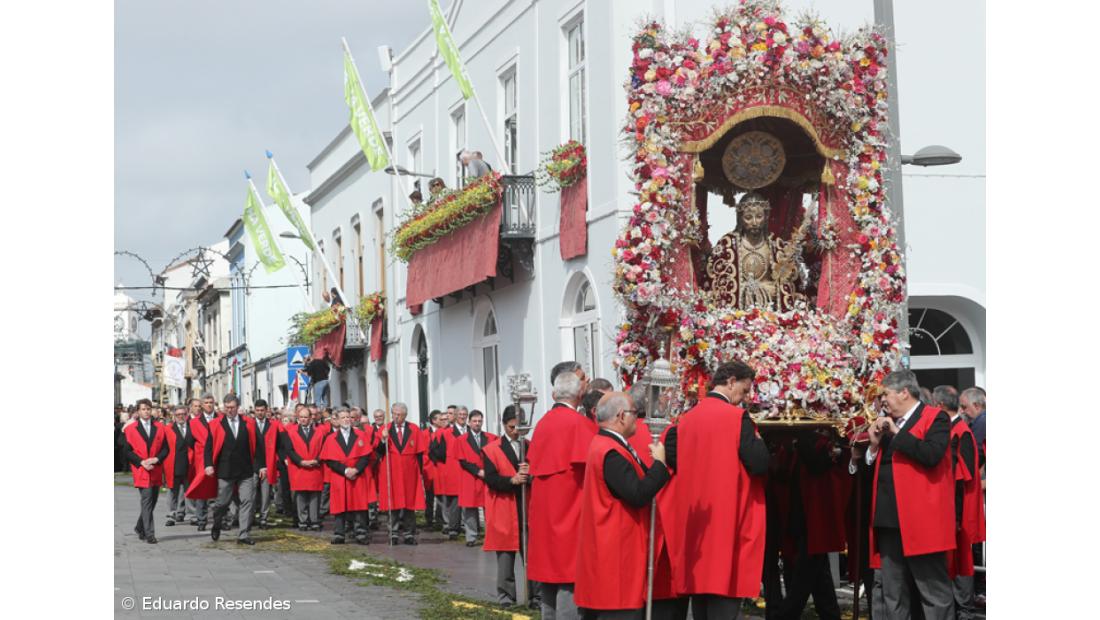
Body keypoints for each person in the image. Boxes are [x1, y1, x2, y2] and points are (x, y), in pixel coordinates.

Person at [661, 360, 770, 619]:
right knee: (724, 597)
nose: (745, 398)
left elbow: (675, 459)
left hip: (695, 521)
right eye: (744, 390)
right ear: (731, 382)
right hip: (728, 519)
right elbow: (759, 463)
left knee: (700, 597)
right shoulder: (737, 418)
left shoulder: (685, 420)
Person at [866, 370, 955, 619]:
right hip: (889, 520)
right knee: (893, 593)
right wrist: (873, 445)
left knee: (933, 591)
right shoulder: (886, 423)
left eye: (886, 394)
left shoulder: (935, 417)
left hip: (922, 520)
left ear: (904, 392)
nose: (882, 400)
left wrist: (897, 432)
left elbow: (931, 455)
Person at [575, 392, 671, 619]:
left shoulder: (611, 444)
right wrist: (660, 464)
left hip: (614, 548)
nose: (637, 419)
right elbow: (637, 494)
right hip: (615, 552)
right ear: (621, 416)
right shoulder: (610, 451)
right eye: (634, 413)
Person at [527, 361, 595, 620]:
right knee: (569, 580)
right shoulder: (578, 424)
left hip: (546, 515)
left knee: (549, 579)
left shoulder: (543, 423)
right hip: (570, 512)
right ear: (579, 393)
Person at [933, 386, 985, 620]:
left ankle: (964, 610)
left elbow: (964, 476)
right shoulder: (954, 429)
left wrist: (956, 515)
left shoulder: (960, 431)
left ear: (940, 406)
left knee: (961, 560)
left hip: (960, 508)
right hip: (953, 506)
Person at [482, 406, 531, 608]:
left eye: (519, 427)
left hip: (526, 507)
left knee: (531, 556)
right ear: (504, 425)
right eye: (512, 427)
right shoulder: (492, 449)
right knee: (505, 557)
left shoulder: (529, 446)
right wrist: (512, 480)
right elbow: (491, 479)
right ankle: (506, 596)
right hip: (504, 507)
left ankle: (535, 596)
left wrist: (530, 474)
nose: (516, 431)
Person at [200, 394, 265, 545]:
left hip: (245, 469)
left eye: (232, 407)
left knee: (247, 501)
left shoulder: (249, 423)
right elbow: (208, 447)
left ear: (238, 407)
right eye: (227, 407)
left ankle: (243, 534)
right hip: (225, 470)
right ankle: (217, 523)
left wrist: (262, 465)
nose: (229, 410)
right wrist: (208, 464)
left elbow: (258, 446)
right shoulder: (216, 424)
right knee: (222, 503)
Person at [321, 408, 377, 545]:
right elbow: (329, 460)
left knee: (359, 505)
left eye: (348, 417)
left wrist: (356, 470)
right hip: (340, 476)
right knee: (339, 506)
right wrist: (345, 470)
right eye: (343, 417)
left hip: (358, 475)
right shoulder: (331, 438)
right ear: (337, 420)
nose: (346, 420)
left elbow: (366, 456)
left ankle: (361, 533)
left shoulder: (360, 435)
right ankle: (339, 533)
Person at [376, 402, 428, 545]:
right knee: (393, 504)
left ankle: (409, 534)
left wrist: (420, 473)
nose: (396, 417)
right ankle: (393, 533)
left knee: (409, 504)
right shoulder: (385, 429)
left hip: (409, 473)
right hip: (391, 471)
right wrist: (383, 440)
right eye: (394, 414)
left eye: (399, 414)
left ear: (405, 415)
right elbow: (378, 452)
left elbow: (419, 453)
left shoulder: (414, 429)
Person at [122, 399, 170, 544]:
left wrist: (157, 459)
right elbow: (127, 451)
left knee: (152, 501)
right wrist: (141, 462)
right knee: (147, 500)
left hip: (155, 468)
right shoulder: (130, 429)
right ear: (138, 411)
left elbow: (166, 448)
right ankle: (150, 534)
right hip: (141, 470)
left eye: (148, 409)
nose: (146, 412)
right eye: (143, 409)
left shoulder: (160, 427)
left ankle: (139, 527)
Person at [283, 403, 326, 531]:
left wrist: (316, 460)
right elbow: (289, 450)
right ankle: (302, 521)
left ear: (310, 418)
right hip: (299, 468)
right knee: (300, 495)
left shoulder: (320, 432)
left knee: (314, 496)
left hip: (315, 467)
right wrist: (301, 462)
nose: (303, 419)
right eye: (301, 417)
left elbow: (324, 449)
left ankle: (314, 521)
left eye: (305, 417)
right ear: (298, 418)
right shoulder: (291, 432)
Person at [457, 410, 497, 546]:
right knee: (470, 508)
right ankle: (471, 537)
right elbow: (462, 460)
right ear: (469, 423)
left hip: (487, 476)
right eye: (474, 421)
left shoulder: (491, 438)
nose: (477, 423)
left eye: (480, 421)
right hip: (470, 476)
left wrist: (488, 471)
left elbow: (495, 457)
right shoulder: (461, 440)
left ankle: (491, 536)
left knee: (489, 507)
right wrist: (477, 471)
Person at [185, 394, 220, 531]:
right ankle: (201, 519)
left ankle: (220, 519)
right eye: (206, 402)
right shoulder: (194, 422)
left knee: (220, 489)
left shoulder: (221, 419)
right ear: (202, 405)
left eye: (211, 402)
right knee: (202, 489)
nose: (209, 405)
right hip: (201, 460)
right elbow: (189, 440)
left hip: (218, 457)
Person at [429, 407, 463, 540]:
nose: (444, 421)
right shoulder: (438, 434)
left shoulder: (451, 431)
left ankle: (453, 523)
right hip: (441, 468)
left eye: (446, 419)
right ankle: (446, 523)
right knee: (443, 498)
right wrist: (441, 462)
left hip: (451, 468)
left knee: (454, 498)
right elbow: (433, 451)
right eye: (441, 419)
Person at [253, 399, 282, 529]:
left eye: (262, 410)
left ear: (266, 410)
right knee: (251, 494)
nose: (260, 413)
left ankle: (263, 518)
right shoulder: (249, 425)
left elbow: (278, 445)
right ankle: (251, 517)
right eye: (257, 410)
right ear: (254, 410)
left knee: (266, 494)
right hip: (252, 465)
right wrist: (258, 467)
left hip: (268, 464)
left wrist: (267, 465)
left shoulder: (273, 425)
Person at [162, 406, 193, 527]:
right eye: (178, 414)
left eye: (183, 414)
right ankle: (171, 515)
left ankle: (190, 515)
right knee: (172, 492)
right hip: (173, 464)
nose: (181, 416)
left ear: (187, 415)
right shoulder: (168, 429)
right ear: (174, 416)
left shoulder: (191, 427)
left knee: (189, 491)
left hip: (189, 464)